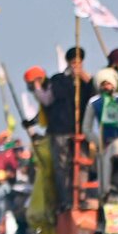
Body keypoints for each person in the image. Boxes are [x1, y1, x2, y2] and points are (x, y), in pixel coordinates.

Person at [40, 47, 96, 207]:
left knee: (82, 163)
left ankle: (81, 196)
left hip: (82, 129)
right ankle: (67, 199)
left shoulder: (87, 82)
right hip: (60, 130)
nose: (76, 66)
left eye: (79, 63)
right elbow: (47, 100)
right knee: (63, 165)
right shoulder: (58, 80)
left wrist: (84, 78)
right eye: (73, 63)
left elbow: (95, 96)